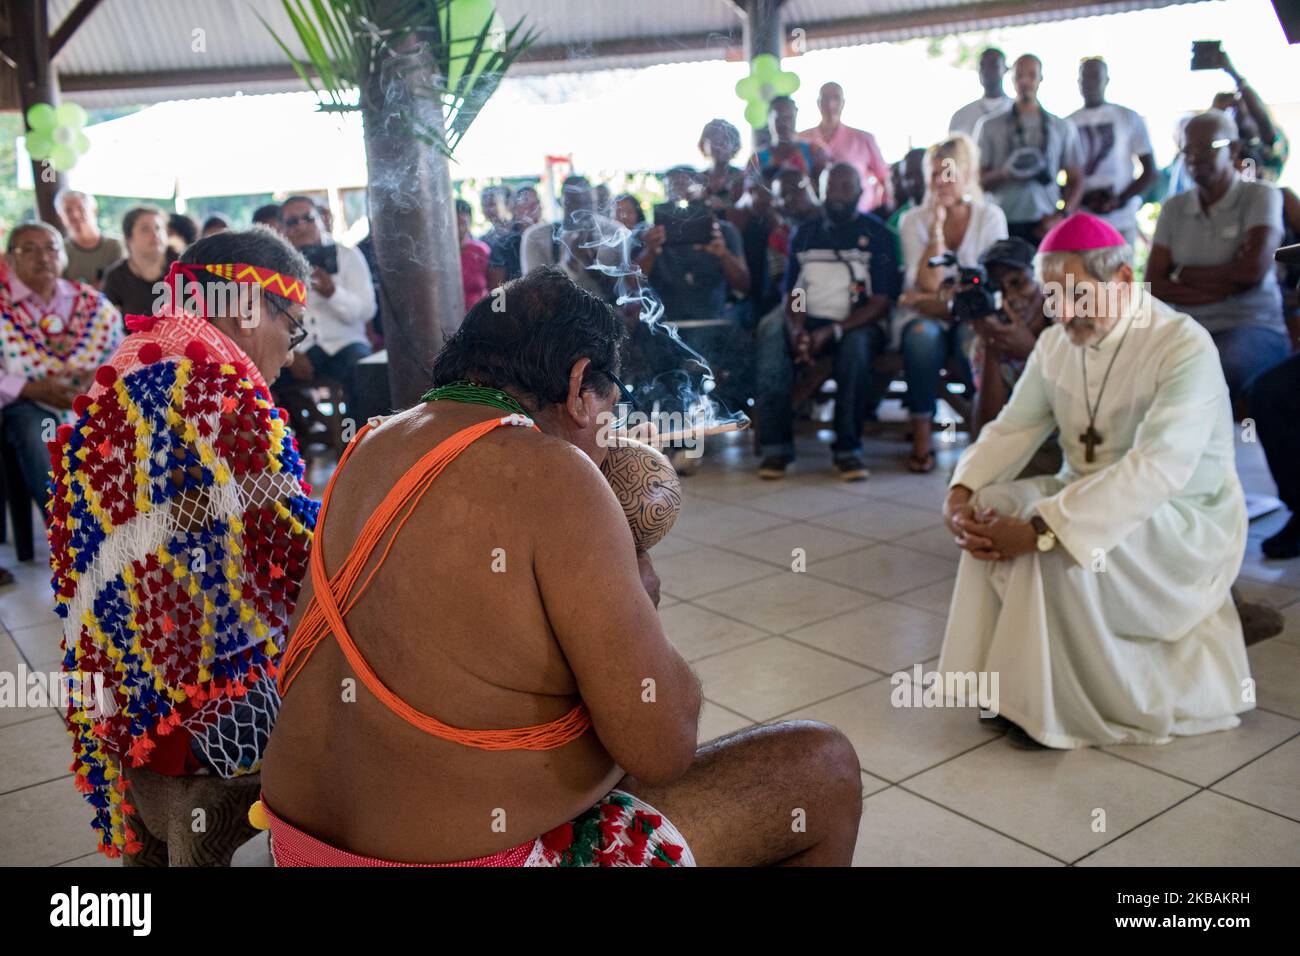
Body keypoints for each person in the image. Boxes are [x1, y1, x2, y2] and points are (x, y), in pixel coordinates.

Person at [257, 267, 863, 867]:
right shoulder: (553, 469)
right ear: (578, 386)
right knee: (823, 766)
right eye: (610, 411)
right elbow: (664, 747)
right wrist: (641, 589)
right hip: (461, 861)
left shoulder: (370, 444)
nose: (607, 441)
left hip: (297, 845)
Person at [48, 227, 317, 861]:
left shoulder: (122, 371)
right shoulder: (221, 389)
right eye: (294, 326)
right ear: (251, 307)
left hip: (120, 706)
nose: (290, 350)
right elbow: (301, 560)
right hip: (201, 716)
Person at [939, 213, 1251, 749]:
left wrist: (1043, 529)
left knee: (1051, 540)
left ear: (1124, 280)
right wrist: (961, 492)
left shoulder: (1181, 345)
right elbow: (1015, 427)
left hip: (1180, 517)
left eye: (1077, 293)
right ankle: (1008, 690)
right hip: (1086, 490)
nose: (1062, 312)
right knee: (993, 505)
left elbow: (1157, 468)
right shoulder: (1059, 342)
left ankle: (1056, 708)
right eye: (1052, 296)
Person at [755, 162, 899, 481]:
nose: (837, 194)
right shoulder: (804, 233)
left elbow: (880, 302)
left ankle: (848, 450)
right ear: (820, 192)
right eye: (830, 187)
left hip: (857, 322)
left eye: (846, 187)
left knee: (855, 348)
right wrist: (796, 329)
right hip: (808, 316)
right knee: (770, 332)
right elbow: (795, 291)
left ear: (860, 192)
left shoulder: (878, 234)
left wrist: (832, 331)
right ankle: (775, 447)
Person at [1148, 110, 1286, 404]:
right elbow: (1154, 284)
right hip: (1186, 327)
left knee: (1213, 369)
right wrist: (1226, 284)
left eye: (1205, 148)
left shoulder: (1262, 196)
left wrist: (1184, 273)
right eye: (1187, 150)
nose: (1193, 158)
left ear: (1233, 149)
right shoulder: (1174, 207)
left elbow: (1251, 273)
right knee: (1127, 363)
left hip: (1252, 325)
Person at [896, 135, 1008, 472]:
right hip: (928, 318)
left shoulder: (990, 217)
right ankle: (921, 437)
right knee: (919, 336)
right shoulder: (912, 220)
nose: (939, 182)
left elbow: (987, 287)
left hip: (973, 317)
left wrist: (930, 299)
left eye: (947, 173)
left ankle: (984, 438)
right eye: (933, 174)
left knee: (973, 341)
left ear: (966, 172)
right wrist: (937, 232)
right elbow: (927, 282)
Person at [1, 222, 122, 520]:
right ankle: (66, 526)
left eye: (51, 248)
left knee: (126, 424)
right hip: (26, 404)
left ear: (63, 255)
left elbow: (120, 352)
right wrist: (30, 388)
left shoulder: (91, 302)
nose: (43, 257)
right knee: (40, 432)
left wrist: (96, 374)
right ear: (10, 259)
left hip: (91, 399)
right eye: (29, 249)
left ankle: (119, 521)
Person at [634, 167, 750, 462]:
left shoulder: (723, 232)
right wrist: (649, 252)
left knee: (706, 355)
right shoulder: (650, 236)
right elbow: (631, 288)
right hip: (664, 326)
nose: (683, 197)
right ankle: (681, 443)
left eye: (689, 190)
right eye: (675, 192)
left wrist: (722, 253)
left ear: (704, 193)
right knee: (668, 358)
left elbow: (744, 285)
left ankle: (683, 443)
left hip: (715, 323)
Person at [279, 194, 378, 418]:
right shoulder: (278, 267)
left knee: (364, 374)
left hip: (344, 344)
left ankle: (357, 442)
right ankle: (291, 445)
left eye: (308, 218)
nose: (302, 226)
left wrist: (333, 293)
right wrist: (290, 352)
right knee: (259, 377)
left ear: (321, 219)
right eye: (293, 222)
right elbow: (273, 317)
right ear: (283, 229)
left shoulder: (348, 256)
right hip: (299, 349)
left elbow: (367, 310)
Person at [976, 53, 1083, 246]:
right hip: (1002, 222)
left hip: (1045, 222)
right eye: (1019, 76)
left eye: (1032, 75)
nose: (1025, 81)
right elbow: (977, 181)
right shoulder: (989, 126)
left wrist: (1061, 216)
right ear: (1011, 78)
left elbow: (1076, 180)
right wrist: (1004, 173)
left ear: (1041, 78)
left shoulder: (1061, 127)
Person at [1068, 58, 1156, 247]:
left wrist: (1120, 200)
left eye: (1095, 77)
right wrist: (1083, 199)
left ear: (1106, 80)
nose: (1089, 83)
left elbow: (1149, 170)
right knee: (1086, 276)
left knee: (1120, 275)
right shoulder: (1068, 123)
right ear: (1078, 82)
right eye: (1084, 78)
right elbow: (1062, 174)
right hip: (1084, 220)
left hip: (1122, 222)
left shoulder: (1128, 117)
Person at [798, 82, 892, 212]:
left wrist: (883, 210)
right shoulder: (801, 139)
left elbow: (885, 178)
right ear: (818, 102)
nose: (830, 104)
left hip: (861, 216)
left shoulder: (864, 138)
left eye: (836, 98)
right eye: (825, 98)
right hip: (816, 219)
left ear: (843, 103)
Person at [1205, 46, 1288, 182]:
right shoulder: (1225, 149)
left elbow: (1262, 120)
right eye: (1228, 111)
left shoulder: (1271, 144)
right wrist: (1215, 113)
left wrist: (1234, 74)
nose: (1236, 113)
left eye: (1240, 106)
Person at [102, 206, 177, 318]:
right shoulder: (115, 277)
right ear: (128, 239)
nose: (155, 234)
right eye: (145, 229)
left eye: (158, 228)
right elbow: (111, 324)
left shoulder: (182, 268)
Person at [56, 190, 123, 288]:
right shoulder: (59, 251)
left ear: (94, 211)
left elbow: (120, 284)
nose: (75, 215)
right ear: (61, 217)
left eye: (81, 208)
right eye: (68, 210)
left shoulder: (115, 245)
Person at [754, 96, 827, 180]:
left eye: (788, 117)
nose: (785, 123)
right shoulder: (757, 159)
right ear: (768, 119)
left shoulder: (814, 152)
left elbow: (826, 187)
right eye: (778, 118)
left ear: (796, 115)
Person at [486, 185, 541, 289]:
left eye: (536, 203)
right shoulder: (503, 244)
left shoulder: (550, 238)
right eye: (527, 204)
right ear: (514, 208)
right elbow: (497, 289)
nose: (534, 208)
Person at [949, 47, 1011, 137]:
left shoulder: (1017, 110)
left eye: (993, 65)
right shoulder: (961, 117)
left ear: (1005, 69)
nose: (986, 70)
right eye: (982, 65)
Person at [700, 118, 746, 213]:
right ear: (704, 144)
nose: (719, 145)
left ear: (735, 144)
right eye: (714, 139)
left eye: (725, 140)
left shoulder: (743, 178)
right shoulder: (698, 179)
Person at [456, 198, 490, 311]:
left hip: (479, 316)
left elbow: (495, 288)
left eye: (463, 223)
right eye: (455, 224)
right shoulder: (440, 256)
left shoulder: (482, 251)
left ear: (470, 222)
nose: (460, 229)